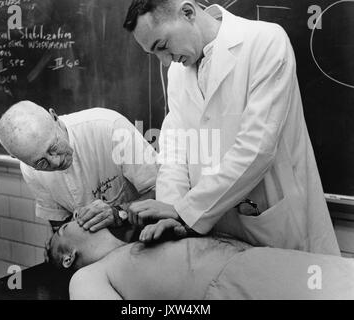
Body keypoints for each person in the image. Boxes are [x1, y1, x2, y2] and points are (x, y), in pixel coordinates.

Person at [122, 0, 340, 255]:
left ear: (188, 12)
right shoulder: (178, 74)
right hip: (210, 230)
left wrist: (185, 211)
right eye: (154, 53)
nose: (165, 61)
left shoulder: (264, 42)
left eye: (162, 46)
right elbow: (174, 151)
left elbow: (256, 149)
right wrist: (170, 211)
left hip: (271, 222)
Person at [46, 219, 354, 300]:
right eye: (63, 228)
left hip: (261, 262)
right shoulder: (85, 277)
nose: (75, 217)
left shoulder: (136, 239)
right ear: (68, 257)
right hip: (232, 287)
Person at [0, 101, 158, 232]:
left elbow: (160, 191)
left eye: (53, 147)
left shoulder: (109, 127)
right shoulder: (29, 169)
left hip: (146, 235)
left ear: (55, 118)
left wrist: (119, 212)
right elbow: (58, 222)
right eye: (41, 163)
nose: (55, 162)